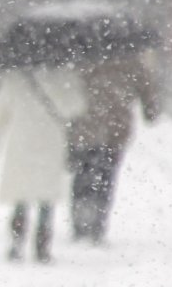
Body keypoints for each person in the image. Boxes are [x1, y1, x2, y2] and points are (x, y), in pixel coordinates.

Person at [0, 63, 86, 261]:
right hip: (51, 142)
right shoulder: (62, 75)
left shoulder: (15, 78)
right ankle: (42, 245)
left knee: (22, 197)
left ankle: (16, 242)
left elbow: (0, 114)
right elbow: (76, 107)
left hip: (21, 143)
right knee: (46, 200)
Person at [69, 51, 162, 243]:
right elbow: (148, 96)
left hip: (84, 128)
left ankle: (80, 221)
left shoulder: (81, 57)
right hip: (115, 130)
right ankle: (98, 224)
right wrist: (150, 109)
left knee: (82, 176)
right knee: (106, 178)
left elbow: (68, 90)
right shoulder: (130, 59)